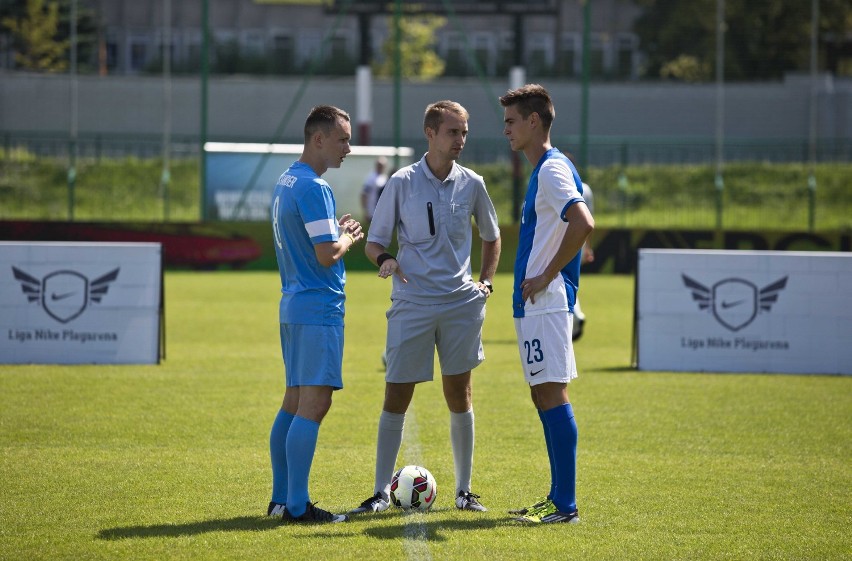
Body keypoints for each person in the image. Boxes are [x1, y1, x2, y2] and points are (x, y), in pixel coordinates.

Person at [349, 100, 501, 515]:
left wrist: (485, 281)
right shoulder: (400, 182)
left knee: (460, 393)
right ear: (430, 134)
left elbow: (492, 235)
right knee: (396, 394)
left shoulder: (473, 183)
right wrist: (387, 260)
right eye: (453, 132)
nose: (461, 140)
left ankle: (464, 491)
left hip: (460, 305)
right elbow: (374, 242)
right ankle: (381, 492)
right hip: (412, 304)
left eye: (464, 132)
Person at [498, 84, 594, 524]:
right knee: (543, 394)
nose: (506, 131)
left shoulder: (553, 169)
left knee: (552, 393)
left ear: (534, 121)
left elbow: (583, 222)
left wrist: (547, 274)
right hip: (535, 303)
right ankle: (556, 499)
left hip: (546, 301)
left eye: (512, 121)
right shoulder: (545, 169)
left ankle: (565, 504)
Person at [267, 105, 364, 524]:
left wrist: (334, 235)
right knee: (315, 402)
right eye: (342, 139)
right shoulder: (313, 187)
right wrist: (347, 237)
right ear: (318, 139)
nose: (348, 147)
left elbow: (312, 244)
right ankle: (297, 505)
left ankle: (280, 498)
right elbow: (327, 255)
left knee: (293, 401)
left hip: (293, 303)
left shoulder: (287, 179)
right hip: (317, 305)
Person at [572, 181, 594, 341]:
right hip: (580, 239)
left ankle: (576, 315)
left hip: (564, 239)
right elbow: (589, 219)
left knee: (561, 279)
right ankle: (575, 315)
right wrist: (587, 246)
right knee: (570, 279)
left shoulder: (554, 180)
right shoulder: (586, 189)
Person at [361, 156, 389, 223]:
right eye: (379, 165)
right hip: (372, 213)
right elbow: (364, 195)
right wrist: (366, 211)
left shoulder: (385, 177)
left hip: (382, 213)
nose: (380, 167)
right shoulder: (371, 178)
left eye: (382, 165)